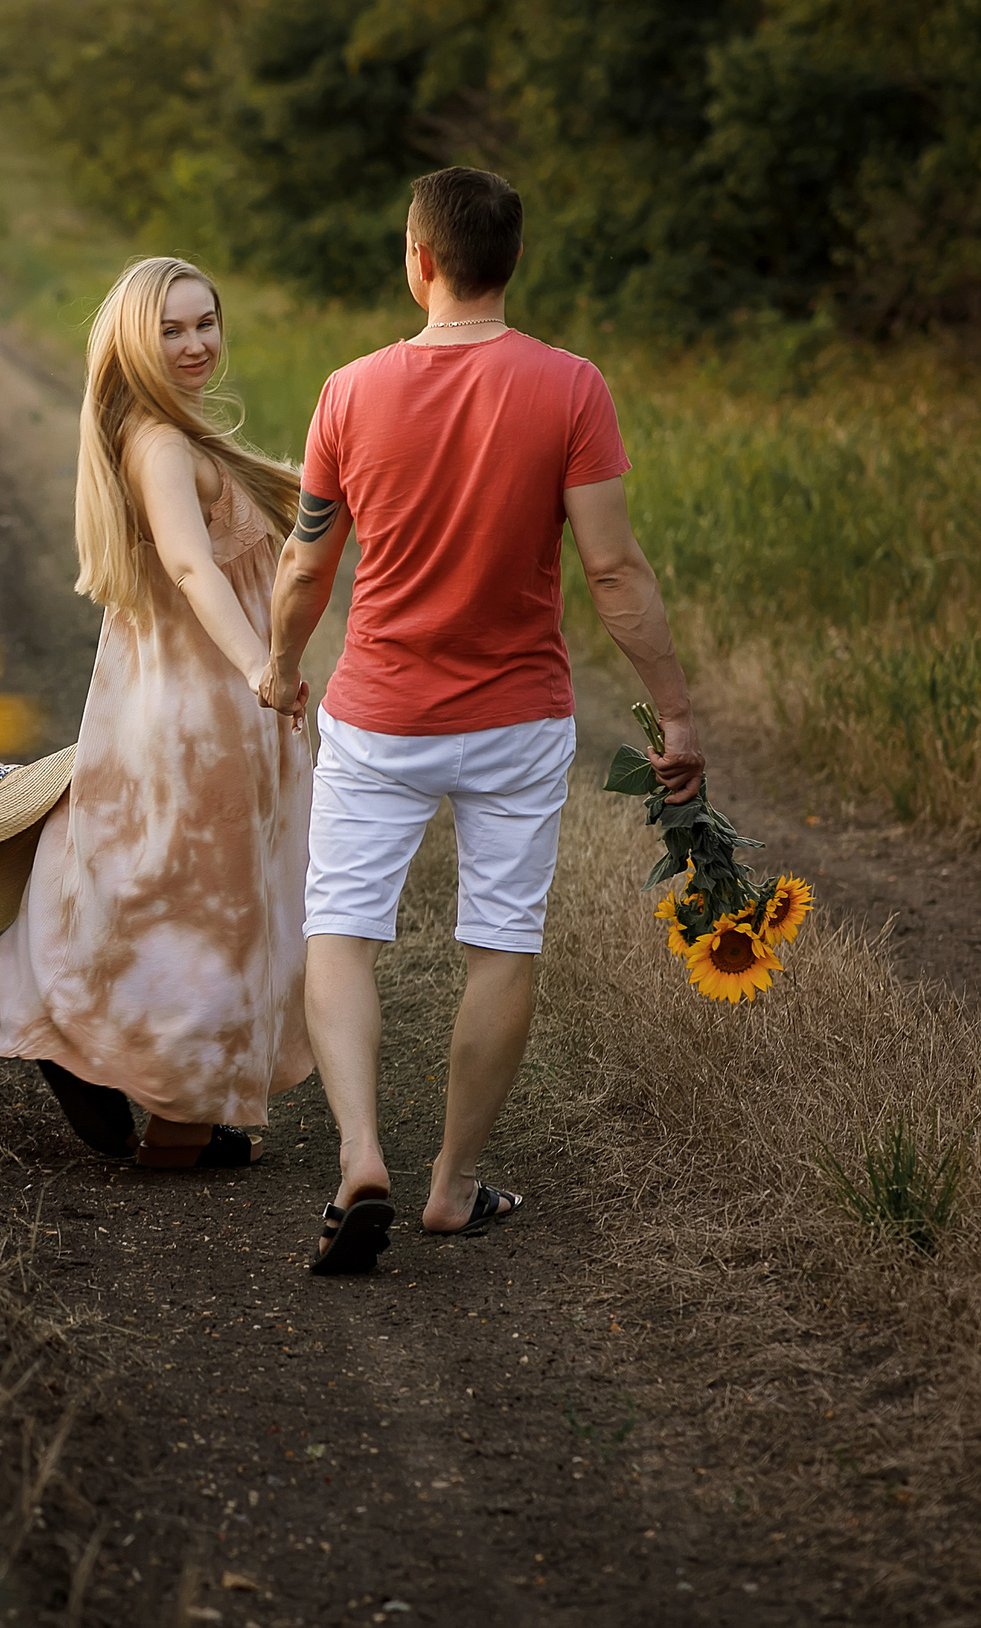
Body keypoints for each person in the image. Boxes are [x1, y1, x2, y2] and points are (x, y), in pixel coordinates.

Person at [254, 167, 706, 1273]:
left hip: (379, 715)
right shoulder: (571, 387)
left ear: (420, 260)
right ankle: (453, 1185)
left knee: (341, 929)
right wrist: (675, 713)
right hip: (517, 720)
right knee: (502, 942)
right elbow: (615, 572)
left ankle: (360, 1155)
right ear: (513, 261)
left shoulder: (349, 391)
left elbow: (306, 564)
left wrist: (280, 668)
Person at [0, 255, 316, 1168]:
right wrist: (260, 665)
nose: (194, 343)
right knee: (205, 902)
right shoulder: (159, 444)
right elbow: (188, 564)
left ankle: (175, 1108)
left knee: (196, 891)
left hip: (198, 700)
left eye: (205, 323)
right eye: (171, 329)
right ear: (135, 342)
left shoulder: (185, 434)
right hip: (202, 702)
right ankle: (138, 1084)